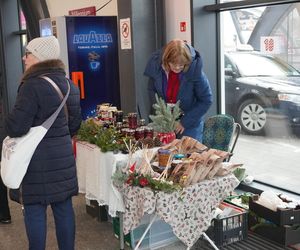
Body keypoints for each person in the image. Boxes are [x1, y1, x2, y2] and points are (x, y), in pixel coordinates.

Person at [4, 36, 82, 250]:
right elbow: (75, 125)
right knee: (64, 208)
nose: (24, 57)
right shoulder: (69, 85)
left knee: (35, 209)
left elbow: (17, 127)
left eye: (27, 53)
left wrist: (7, 119)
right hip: (63, 160)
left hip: (35, 162)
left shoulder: (31, 86)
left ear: (38, 57)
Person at [144, 39, 213, 142]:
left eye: (182, 65)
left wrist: (184, 122)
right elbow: (151, 90)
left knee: (187, 156)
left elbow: (206, 100)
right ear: (166, 60)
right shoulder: (157, 67)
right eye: (173, 63)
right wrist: (160, 113)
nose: (177, 68)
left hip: (189, 126)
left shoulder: (195, 71)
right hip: (164, 123)